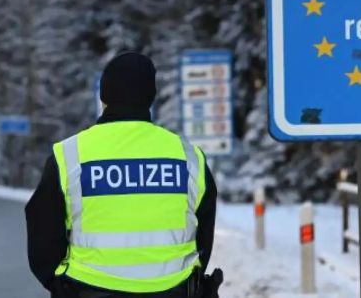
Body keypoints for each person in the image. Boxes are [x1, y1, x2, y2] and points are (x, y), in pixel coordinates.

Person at [26, 52, 222, 297]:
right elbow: (203, 235)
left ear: (103, 96)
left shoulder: (70, 155)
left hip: (88, 290)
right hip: (174, 291)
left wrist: (58, 285)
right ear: (151, 97)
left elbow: (42, 234)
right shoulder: (189, 157)